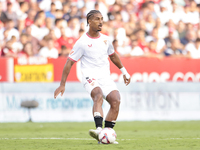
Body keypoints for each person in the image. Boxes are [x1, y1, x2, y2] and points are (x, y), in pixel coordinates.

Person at [54, 10, 131, 144]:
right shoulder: (82, 42)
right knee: (98, 95)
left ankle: (105, 135)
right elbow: (69, 62)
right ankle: (99, 130)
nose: (100, 22)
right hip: (90, 76)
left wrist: (124, 71)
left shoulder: (106, 39)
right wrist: (62, 84)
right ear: (89, 21)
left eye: (102, 19)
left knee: (116, 100)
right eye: (97, 19)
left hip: (105, 77)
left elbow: (113, 55)